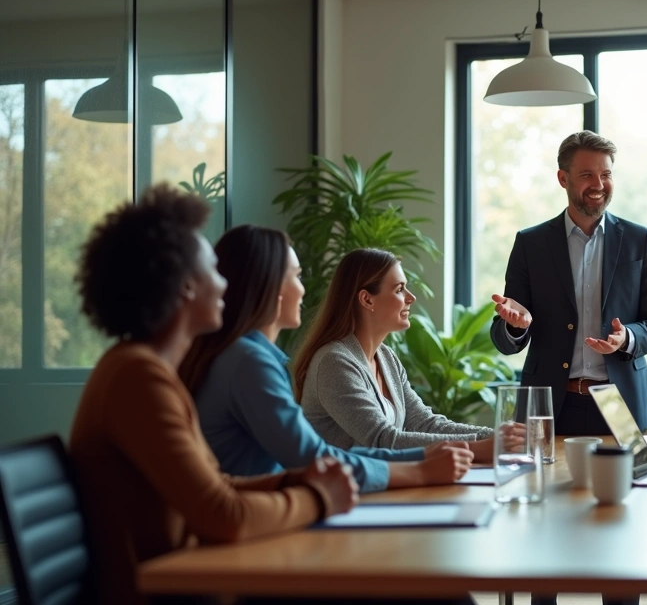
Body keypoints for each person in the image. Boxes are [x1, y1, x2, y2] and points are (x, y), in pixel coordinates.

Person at [69, 186, 357, 605]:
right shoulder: (137, 378)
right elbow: (224, 516)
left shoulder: (145, 370)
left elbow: (216, 486)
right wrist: (318, 497)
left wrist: (293, 480)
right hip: (168, 595)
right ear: (187, 286)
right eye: (214, 270)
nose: (225, 284)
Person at [180, 225, 474, 492]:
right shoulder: (249, 363)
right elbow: (313, 459)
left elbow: (419, 423)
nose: (303, 288)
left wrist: (440, 453)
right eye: (297, 276)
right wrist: (421, 466)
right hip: (255, 516)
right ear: (271, 287)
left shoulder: (251, 358)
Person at [489, 130, 647, 435]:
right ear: (563, 178)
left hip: (621, 402)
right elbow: (503, 336)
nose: (598, 184)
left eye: (606, 174)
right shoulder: (530, 244)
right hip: (549, 404)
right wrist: (515, 327)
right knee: (544, 470)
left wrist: (627, 337)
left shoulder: (639, 240)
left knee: (626, 470)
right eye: (587, 175)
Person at [296, 248, 496, 460]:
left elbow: (424, 423)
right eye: (399, 289)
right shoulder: (334, 362)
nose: (411, 297)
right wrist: (479, 447)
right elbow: (382, 440)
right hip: (344, 481)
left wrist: (496, 436)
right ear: (367, 300)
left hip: (383, 478)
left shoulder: (386, 357)